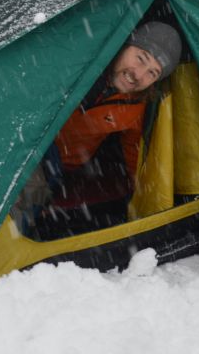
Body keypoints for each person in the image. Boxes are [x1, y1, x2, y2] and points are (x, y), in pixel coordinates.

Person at [12, 22, 182, 233]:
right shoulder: (82, 64)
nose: (138, 75)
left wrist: (139, 192)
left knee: (36, 186)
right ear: (124, 45)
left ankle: (15, 236)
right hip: (31, 141)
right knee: (28, 181)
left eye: (152, 73)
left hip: (63, 165)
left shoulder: (135, 107)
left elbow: (133, 151)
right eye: (140, 58)